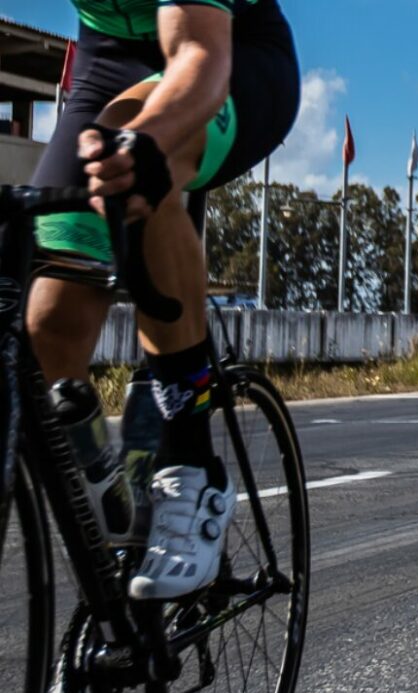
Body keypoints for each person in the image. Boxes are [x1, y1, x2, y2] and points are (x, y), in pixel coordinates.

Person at [29, 0, 299, 599]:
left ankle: (192, 465)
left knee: (144, 155)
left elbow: (197, 52)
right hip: (108, 56)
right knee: (48, 321)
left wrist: (146, 145)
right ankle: (105, 489)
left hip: (229, 50)